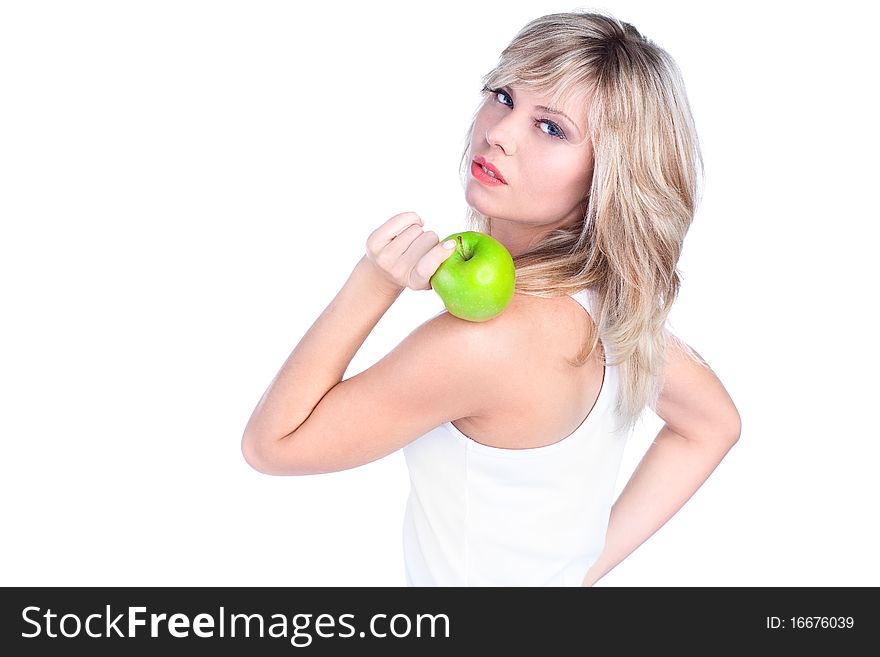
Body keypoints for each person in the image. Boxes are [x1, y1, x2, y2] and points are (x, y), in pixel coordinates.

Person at [240, 10, 741, 587]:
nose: (499, 132)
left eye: (551, 128)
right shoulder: (609, 307)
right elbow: (712, 423)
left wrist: (372, 281)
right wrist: (580, 572)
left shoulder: (490, 341)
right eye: (503, 96)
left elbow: (272, 446)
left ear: (611, 174)